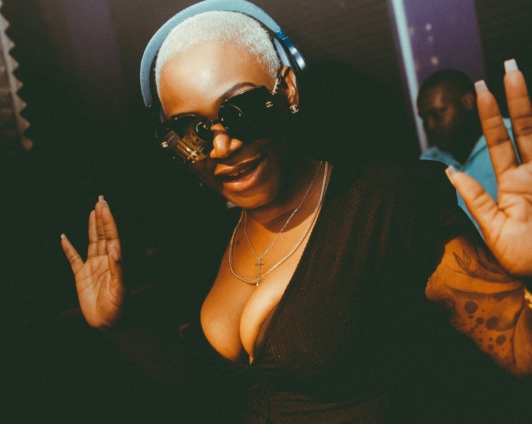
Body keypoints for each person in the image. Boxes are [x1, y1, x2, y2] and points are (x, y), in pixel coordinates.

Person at [60, 4, 532, 423]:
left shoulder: (391, 202)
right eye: (192, 130)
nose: (221, 145)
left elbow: (516, 349)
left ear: (287, 91)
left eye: (240, 109)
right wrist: (121, 328)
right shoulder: (211, 240)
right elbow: (206, 385)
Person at [418, 69, 513, 232]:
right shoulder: (428, 163)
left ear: (468, 102)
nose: (430, 126)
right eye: (424, 118)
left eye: (438, 113)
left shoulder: (514, 138)